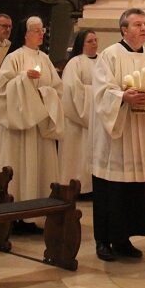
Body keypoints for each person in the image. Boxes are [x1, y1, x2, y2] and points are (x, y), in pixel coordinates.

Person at [91, 8, 145, 261]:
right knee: (112, 189)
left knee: (135, 190)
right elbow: (101, 91)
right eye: (137, 24)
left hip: (143, 129)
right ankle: (104, 240)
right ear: (124, 30)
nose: (143, 28)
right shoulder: (109, 55)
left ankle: (124, 239)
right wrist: (122, 97)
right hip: (120, 133)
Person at [0, 16, 64, 234]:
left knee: (39, 168)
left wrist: (44, 93)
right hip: (20, 129)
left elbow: (57, 88)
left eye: (42, 29)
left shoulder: (45, 58)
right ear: (24, 33)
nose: (41, 33)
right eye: (35, 30)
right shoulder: (14, 57)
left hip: (39, 126)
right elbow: (0, 89)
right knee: (20, 166)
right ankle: (14, 214)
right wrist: (23, 79)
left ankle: (33, 211)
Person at [59, 29, 98, 195]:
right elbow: (71, 90)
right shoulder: (75, 63)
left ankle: (93, 187)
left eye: (96, 40)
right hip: (76, 120)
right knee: (76, 154)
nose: (94, 44)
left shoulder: (103, 61)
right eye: (90, 41)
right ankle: (75, 186)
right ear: (81, 44)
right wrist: (95, 94)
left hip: (98, 119)